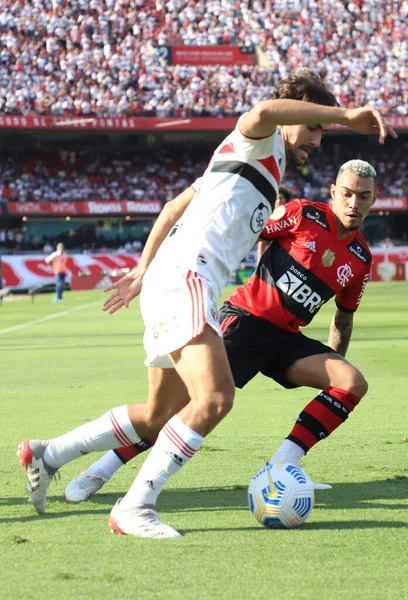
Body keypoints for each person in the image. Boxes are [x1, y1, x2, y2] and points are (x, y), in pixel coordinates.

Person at [19, 70, 396, 538]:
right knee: (215, 399)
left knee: (159, 413)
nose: (318, 140)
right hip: (191, 277)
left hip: (176, 278)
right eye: (315, 127)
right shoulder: (259, 141)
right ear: (298, 107)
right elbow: (263, 111)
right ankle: (134, 506)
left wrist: (143, 268)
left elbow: (177, 204)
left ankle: (48, 453)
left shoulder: (260, 165)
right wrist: (344, 115)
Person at [64, 159, 375, 503]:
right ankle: (102, 467)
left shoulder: (360, 257)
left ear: (373, 199)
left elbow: (343, 318)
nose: (353, 203)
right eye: (347, 194)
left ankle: (281, 468)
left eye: (363, 197)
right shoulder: (303, 214)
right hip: (244, 321)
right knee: (177, 406)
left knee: (351, 383)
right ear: (333, 192)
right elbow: (247, 226)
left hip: (286, 339)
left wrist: (333, 362)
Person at [257, 185, 292, 262]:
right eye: (276, 199)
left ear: (286, 199)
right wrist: (259, 263)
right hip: (271, 258)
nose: (278, 201)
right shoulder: (269, 218)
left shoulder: (291, 218)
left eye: (281, 198)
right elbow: (262, 242)